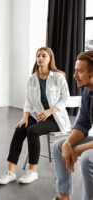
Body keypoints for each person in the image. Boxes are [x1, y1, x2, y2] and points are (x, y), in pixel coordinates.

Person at [0, 47, 71, 184]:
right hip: (37, 115)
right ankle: (11, 171)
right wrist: (24, 118)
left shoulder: (58, 77)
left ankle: (32, 171)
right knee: (20, 129)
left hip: (55, 118)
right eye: (38, 56)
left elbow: (66, 99)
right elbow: (28, 101)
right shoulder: (32, 79)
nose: (40, 58)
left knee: (33, 131)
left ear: (50, 59)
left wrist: (50, 111)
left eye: (43, 56)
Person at [52, 51, 93, 200]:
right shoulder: (87, 92)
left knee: (88, 158)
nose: (75, 76)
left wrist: (77, 150)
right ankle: (64, 197)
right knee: (59, 146)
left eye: (79, 71)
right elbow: (82, 123)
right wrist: (68, 143)